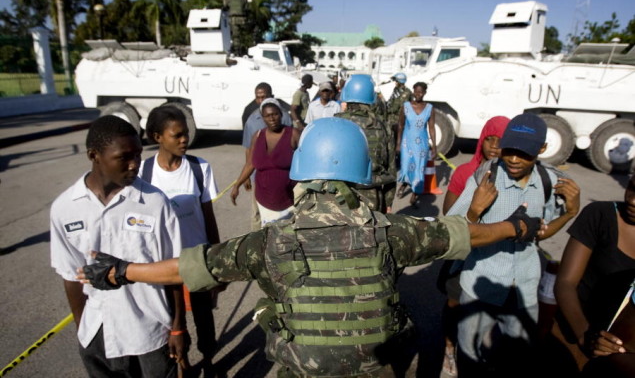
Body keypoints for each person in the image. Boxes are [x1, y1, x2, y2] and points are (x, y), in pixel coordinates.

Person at [79, 117, 546, 378]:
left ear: (303, 174)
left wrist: (123, 272)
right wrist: (515, 227)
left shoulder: (268, 240)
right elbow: (460, 234)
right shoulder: (392, 231)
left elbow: (191, 266)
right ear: (361, 177)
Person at [447, 113, 581, 377]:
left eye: (524, 153)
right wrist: (474, 210)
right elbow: (452, 233)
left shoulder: (550, 182)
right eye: (509, 150)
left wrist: (569, 213)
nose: (514, 159)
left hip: (524, 287)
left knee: (517, 357)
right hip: (480, 283)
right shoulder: (486, 177)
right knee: (469, 354)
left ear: (542, 150)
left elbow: (539, 233)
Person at [50, 115, 185, 378]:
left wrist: (178, 327)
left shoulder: (155, 202)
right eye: (124, 157)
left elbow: (177, 271)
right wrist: (83, 333)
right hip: (99, 334)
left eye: (138, 154)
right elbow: (71, 278)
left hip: (151, 332)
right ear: (94, 155)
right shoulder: (64, 208)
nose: (135, 164)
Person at [141, 105, 221, 372]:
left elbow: (208, 217)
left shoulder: (199, 168)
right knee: (173, 322)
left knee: (204, 320)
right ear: (157, 137)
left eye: (185, 133)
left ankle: (209, 360)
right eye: (177, 135)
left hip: (197, 259)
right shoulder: (144, 173)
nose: (184, 139)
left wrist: (217, 264)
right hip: (163, 264)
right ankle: (182, 363)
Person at [438, 115, 510, 376]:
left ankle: (475, 351)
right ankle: (448, 348)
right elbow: (449, 214)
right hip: (464, 252)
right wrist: (475, 210)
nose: (493, 146)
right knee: (455, 304)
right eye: (489, 139)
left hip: (494, 255)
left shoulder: (510, 178)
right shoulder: (466, 173)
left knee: (487, 310)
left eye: (501, 142)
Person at [555, 174, 635, 377]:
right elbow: (565, 283)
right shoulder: (599, 214)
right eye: (632, 188)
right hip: (574, 336)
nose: (632, 200)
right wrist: (585, 335)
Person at [231, 98, 300, 226]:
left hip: (289, 199)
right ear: (262, 118)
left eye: (275, 114)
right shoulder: (257, 136)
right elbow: (250, 164)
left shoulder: (293, 134)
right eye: (267, 116)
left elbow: (305, 162)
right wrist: (237, 185)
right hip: (263, 200)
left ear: (281, 114)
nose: (272, 118)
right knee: (269, 236)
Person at [335, 74, 396, 213]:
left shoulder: (335, 123)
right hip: (373, 198)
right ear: (371, 98)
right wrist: (388, 201)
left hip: (339, 197)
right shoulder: (383, 127)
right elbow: (391, 169)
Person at [242, 83, 293, 230]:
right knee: (257, 214)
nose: (260, 100)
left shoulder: (283, 118)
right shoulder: (251, 120)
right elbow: (248, 149)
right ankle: (257, 245)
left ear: (271, 95)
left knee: (284, 216)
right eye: (257, 97)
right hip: (258, 177)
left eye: (263, 96)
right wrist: (246, 176)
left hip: (284, 179)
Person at [396, 81, 437, 207]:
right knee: (406, 166)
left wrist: (434, 146)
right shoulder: (406, 106)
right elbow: (401, 125)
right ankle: (404, 184)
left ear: (425, 93)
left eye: (421, 92)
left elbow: (431, 128)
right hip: (406, 143)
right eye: (416, 91)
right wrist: (398, 143)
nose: (418, 94)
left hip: (422, 145)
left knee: (419, 168)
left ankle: (415, 193)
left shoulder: (430, 108)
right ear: (413, 91)